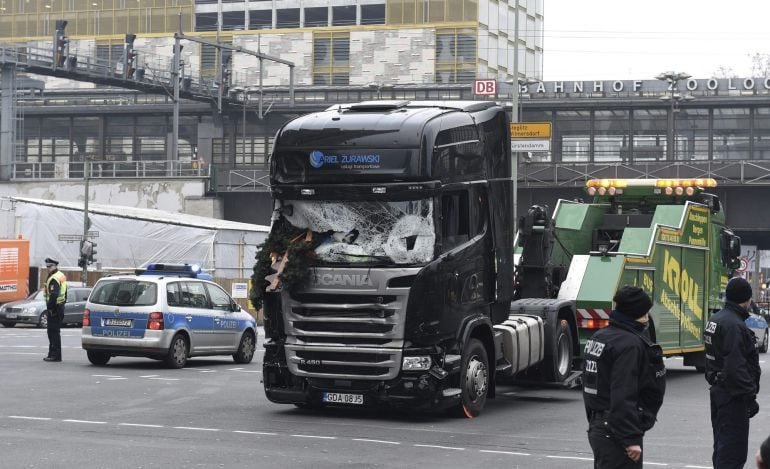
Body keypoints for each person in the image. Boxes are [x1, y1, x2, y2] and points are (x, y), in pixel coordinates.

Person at [583, 285, 666, 468]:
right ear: (636, 313)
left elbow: (590, 387)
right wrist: (630, 438)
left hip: (600, 425)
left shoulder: (599, 337)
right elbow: (623, 393)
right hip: (616, 430)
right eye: (644, 312)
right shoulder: (629, 345)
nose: (647, 318)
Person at [704, 276, 761, 469]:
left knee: (722, 448)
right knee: (732, 454)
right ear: (747, 300)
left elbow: (711, 360)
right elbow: (735, 368)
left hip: (719, 391)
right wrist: (749, 397)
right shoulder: (734, 326)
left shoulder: (716, 319)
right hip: (733, 397)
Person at [43, 257, 67, 362]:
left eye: (50, 266)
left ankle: (55, 355)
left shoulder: (54, 279)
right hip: (59, 307)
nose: (48, 268)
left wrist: (50, 308)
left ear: (55, 266)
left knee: (53, 332)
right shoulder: (60, 275)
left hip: (55, 308)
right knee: (53, 332)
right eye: (47, 266)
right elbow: (65, 293)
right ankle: (53, 354)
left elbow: (54, 295)